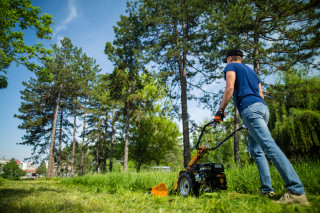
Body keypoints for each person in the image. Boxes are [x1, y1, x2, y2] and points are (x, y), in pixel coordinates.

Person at [214, 49, 309, 205]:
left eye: (227, 60)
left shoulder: (231, 67)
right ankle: (266, 190)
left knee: (269, 146)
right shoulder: (252, 73)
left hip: (250, 110)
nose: (226, 63)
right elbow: (261, 94)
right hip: (263, 109)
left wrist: (221, 110)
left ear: (230, 58)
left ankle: (296, 191)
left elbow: (230, 88)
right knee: (256, 150)